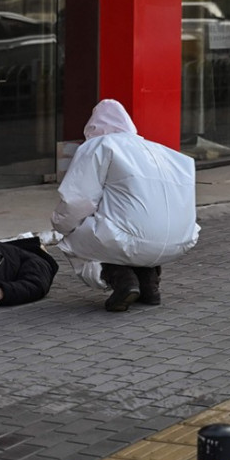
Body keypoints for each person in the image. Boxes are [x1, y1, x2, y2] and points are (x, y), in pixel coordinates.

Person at [51, 99, 200, 312]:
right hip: (181, 240)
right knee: (124, 228)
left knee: (73, 237)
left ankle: (121, 280)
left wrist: (60, 225)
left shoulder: (100, 145)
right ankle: (149, 283)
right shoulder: (160, 151)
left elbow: (78, 200)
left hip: (131, 240)